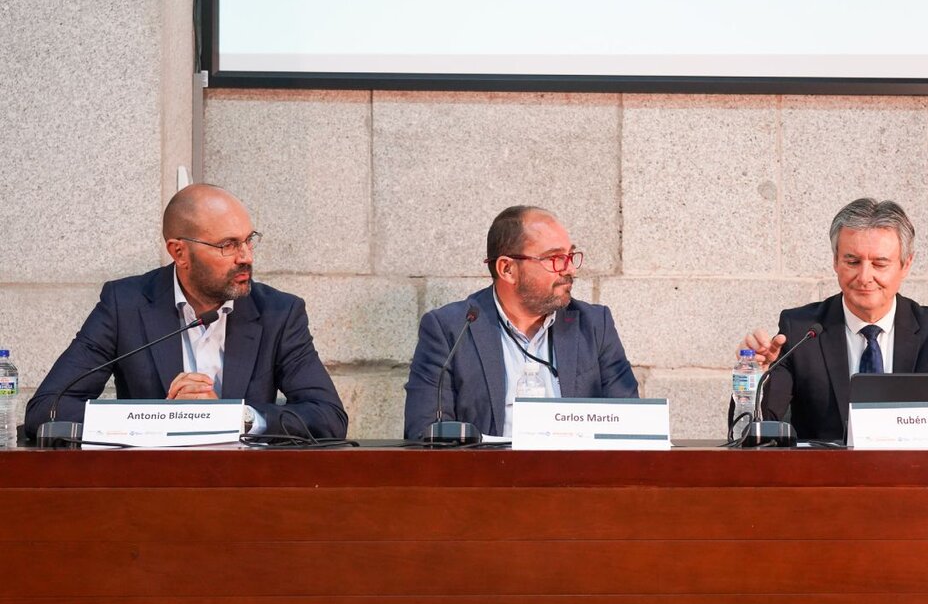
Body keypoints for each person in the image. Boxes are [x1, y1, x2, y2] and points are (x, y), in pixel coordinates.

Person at [24, 184, 347, 439]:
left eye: (249, 240)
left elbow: (328, 416)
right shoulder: (125, 304)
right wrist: (160, 417)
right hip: (150, 489)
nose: (246, 256)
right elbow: (46, 410)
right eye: (228, 245)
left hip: (246, 490)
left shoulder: (279, 312)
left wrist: (235, 416)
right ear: (179, 251)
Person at [741, 198, 928, 441]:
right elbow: (755, 430)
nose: (864, 276)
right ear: (835, 262)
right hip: (827, 479)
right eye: (852, 261)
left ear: (906, 265)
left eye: (880, 264)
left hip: (915, 476)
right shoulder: (800, 331)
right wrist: (755, 378)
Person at [404, 205, 638, 439]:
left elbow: (631, 425)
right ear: (507, 269)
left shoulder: (595, 325)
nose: (569, 270)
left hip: (575, 473)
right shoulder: (451, 329)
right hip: (487, 473)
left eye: (570, 256)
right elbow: (425, 434)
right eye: (555, 258)